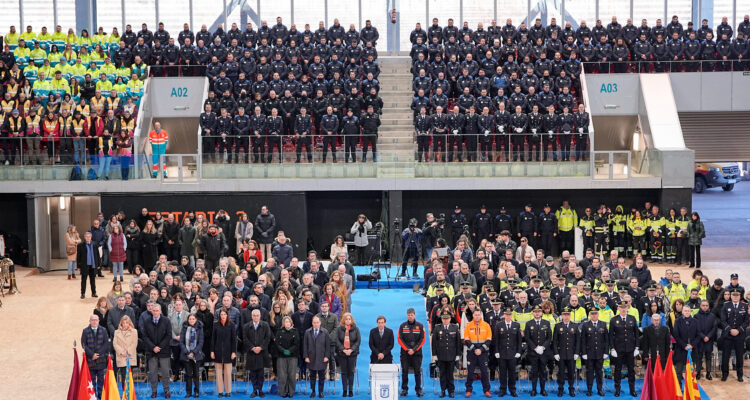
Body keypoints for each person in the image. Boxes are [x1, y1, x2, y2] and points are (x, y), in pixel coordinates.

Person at [610, 301, 640, 397]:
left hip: (630, 349)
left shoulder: (632, 318)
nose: (623, 309)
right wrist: (612, 348)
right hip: (619, 349)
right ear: (618, 308)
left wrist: (637, 347)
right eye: (621, 307)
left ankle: (632, 389)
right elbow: (611, 336)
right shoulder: (614, 320)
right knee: (618, 370)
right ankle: (617, 389)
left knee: (631, 370)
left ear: (627, 308)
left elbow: (636, 334)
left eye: (625, 307)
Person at [142, 303, 172, 398]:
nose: (155, 312)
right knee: (153, 372)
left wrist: (159, 347)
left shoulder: (166, 321)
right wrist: (153, 347)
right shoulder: (147, 321)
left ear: (160, 311)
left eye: (157, 310)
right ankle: (154, 391)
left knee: (165, 372)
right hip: (151, 351)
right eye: (153, 310)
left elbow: (168, 335)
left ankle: (166, 390)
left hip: (164, 351)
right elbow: (145, 336)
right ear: (151, 311)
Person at [492, 307, 521, 397]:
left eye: (509, 315)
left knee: (512, 373)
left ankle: (512, 390)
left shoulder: (516, 325)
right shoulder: (499, 325)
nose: (508, 316)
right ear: (504, 315)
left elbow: (519, 340)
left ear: (512, 315)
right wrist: (496, 351)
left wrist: (518, 351)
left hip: (512, 353)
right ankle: (503, 389)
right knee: (502, 373)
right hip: (502, 353)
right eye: (506, 315)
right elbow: (496, 340)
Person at [720, 290, 748, 382]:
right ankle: (725, 374)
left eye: (737, 295)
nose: (735, 297)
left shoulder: (744, 306)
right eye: (733, 295)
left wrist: (738, 330)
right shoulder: (726, 305)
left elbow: (746, 321)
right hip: (728, 334)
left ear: (740, 296)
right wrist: (730, 329)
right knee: (725, 355)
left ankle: (740, 375)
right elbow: (723, 320)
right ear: (731, 296)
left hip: (739, 335)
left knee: (739, 355)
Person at [463, 308, 492, 397]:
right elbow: (466, 339)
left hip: (483, 353)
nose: (477, 316)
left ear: (481, 315)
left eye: (479, 315)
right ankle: (468, 390)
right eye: (475, 315)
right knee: (470, 372)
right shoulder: (468, 325)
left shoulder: (486, 325)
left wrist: (481, 350)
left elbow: (489, 339)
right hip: (472, 353)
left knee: (484, 372)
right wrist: (474, 349)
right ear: (473, 315)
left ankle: (486, 390)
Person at [579, 308, 608, 396]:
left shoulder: (603, 324)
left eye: (595, 313)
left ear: (598, 314)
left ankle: (600, 389)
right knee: (589, 372)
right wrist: (583, 353)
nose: (594, 315)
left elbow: (606, 340)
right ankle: (589, 389)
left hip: (600, 353)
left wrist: (606, 352)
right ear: (590, 315)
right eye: (592, 314)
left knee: (599, 372)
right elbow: (583, 340)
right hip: (589, 353)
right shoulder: (585, 325)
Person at [243, 308, 272, 398]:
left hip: (262, 352)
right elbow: (245, 339)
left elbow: (268, 338)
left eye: (257, 315)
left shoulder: (265, 325)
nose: (256, 317)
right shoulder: (246, 326)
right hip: (251, 352)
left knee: (260, 373)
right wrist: (252, 348)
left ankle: (260, 390)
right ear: (251, 316)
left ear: (260, 316)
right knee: (253, 373)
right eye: (254, 315)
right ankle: (254, 390)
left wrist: (261, 347)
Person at [398, 308, 426, 397]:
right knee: (404, 371)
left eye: (412, 315)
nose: (410, 316)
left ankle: (418, 390)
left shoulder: (420, 326)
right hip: (405, 354)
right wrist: (407, 349)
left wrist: (414, 349)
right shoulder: (402, 326)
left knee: (417, 372)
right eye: (409, 315)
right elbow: (399, 339)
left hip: (417, 354)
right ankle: (404, 389)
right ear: (407, 315)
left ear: (415, 315)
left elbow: (423, 339)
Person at [524, 305, 551, 396]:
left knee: (543, 372)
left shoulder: (546, 323)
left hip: (543, 352)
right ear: (533, 313)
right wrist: (535, 348)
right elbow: (527, 338)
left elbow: (549, 337)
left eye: (539, 311)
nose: (537, 313)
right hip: (533, 352)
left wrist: (543, 347)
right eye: (535, 311)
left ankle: (543, 390)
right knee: (534, 372)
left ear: (541, 313)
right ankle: (534, 389)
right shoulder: (529, 324)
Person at [553, 307, 579, 397]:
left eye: (568, 314)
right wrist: (556, 353)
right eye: (564, 314)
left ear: (570, 315)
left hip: (571, 354)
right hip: (561, 354)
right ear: (562, 315)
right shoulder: (557, 326)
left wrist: (576, 353)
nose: (566, 316)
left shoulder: (575, 326)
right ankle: (560, 389)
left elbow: (577, 341)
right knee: (561, 373)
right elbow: (555, 341)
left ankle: (571, 389)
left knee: (571, 372)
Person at [81, 314, 109, 397]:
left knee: (101, 378)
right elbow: (83, 344)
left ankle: (100, 394)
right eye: (92, 320)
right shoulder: (85, 331)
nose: (94, 321)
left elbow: (106, 343)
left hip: (101, 359)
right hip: (91, 360)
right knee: (92, 379)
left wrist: (98, 354)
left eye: (96, 320)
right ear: (89, 321)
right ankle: (92, 394)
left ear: (99, 321)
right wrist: (92, 354)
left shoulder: (103, 330)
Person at [334, 313, 361, 397]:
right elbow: (337, 340)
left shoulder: (356, 329)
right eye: (346, 319)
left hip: (353, 354)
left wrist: (351, 349)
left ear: (351, 320)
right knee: (344, 372)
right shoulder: (339, 329)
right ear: (343, 320)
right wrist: (343, 349)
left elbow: (358, 341)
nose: (348, 320)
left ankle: (350, 390)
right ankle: (345, 390)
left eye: (349, 319)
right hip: (342, 354)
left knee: (351, 372)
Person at [212, 308, 237, 397]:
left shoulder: (231, 325)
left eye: (224, 314)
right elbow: (213, 339)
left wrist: (233, 352)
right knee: (218, 373)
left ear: (227, 315)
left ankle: (228, 391)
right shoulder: (216, 325)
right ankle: (220, 391)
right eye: (221, 315)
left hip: (228, 352)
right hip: (217, 351)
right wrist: (212, 351)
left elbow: (234, 340)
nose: (223, 316)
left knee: (227, 373)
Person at [304, 316, 331, 398]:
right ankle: (313, 391)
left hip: (322, 357)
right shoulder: (307, 332)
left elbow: (328, 346)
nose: (316, 324)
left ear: (320, 323)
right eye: (314, 323)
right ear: (312, 323)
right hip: (311, 358)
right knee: (312, 376)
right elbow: (305, 345)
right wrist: (306, 356)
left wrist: (326, 356)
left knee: (321, 376)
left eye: (317, 322)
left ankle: (321, 392)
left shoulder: (325, 332)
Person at [673, 305, 699, 384]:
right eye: (685, 311)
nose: (687, 312)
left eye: (688, 311)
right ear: (682, 311)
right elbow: (676, 335)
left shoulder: (695, 321)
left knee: (691, 371)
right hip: (680, 349)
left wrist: (692, 345)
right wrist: (685, 345)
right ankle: (679, 388)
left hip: (692, 350)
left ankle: (690, 389)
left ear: (690, 311)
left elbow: (698, 335)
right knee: (679, 371)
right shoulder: (677, 321)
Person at [275, 316, 300, 398]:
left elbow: (296, 344)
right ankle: (283, 391)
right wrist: (283, 351)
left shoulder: (295, 331)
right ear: (283, 323)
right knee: (282, 375)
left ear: (291, 323)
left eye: (288, 322)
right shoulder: (279, 331)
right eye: (286, 322)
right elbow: (277, 344)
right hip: (281, 356)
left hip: (292, 356)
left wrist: (289, 351)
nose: (287, 323)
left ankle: (291, 391)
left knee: (292, 375)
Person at [693, 300, 717, 380]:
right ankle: (698, 373)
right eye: (703, 305)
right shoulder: (696, 316)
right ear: (700, 306)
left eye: (706, 305)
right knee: (699, 357)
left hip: (709, 340)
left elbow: (714, 328)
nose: (705, 307)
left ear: (708, 306)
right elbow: (696, 329)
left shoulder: (712, 316)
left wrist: (708, 337)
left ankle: (708, 373)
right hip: (700, 340)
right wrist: (703, 337)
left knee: (708, 357)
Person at [113, 315, 139, 382]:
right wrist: (122, 352)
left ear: (129, 323)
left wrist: (127, 352)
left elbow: (134, 343)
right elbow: (115, 344)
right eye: (123, 323)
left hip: (130, 356)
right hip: (121, 356)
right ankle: (124, 392)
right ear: (121, 323)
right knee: (123, 375)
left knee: (130, 376)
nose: (125, 325)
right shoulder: (116, 332)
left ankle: (130, 392)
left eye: (126, 323)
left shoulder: (134, 331)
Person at [77, 231, 100, 299]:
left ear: (91, 237)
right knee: (83, 280)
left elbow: (97, 255)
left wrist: (98, 264)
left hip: (92, 265)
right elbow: (79, 256)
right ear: (84, 237)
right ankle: (82, 293)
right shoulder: (81, 245)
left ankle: (94, 293)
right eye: (87, 237)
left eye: (89, 237)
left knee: (92, 280)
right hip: (84, 265)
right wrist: (78, 266)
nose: (88, 238)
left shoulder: (95, 244)